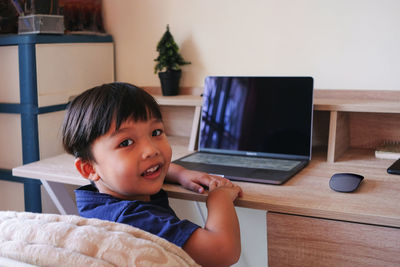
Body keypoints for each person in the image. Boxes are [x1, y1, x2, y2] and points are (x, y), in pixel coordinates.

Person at [61, 82, 242, 266]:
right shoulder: (132, 221)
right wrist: (219, 197)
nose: (151, 150)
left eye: (156, 132)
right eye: (126, 143)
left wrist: (180, 174)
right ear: (89, 168)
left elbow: (138, 168)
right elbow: (222, 251)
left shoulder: (101, 203)